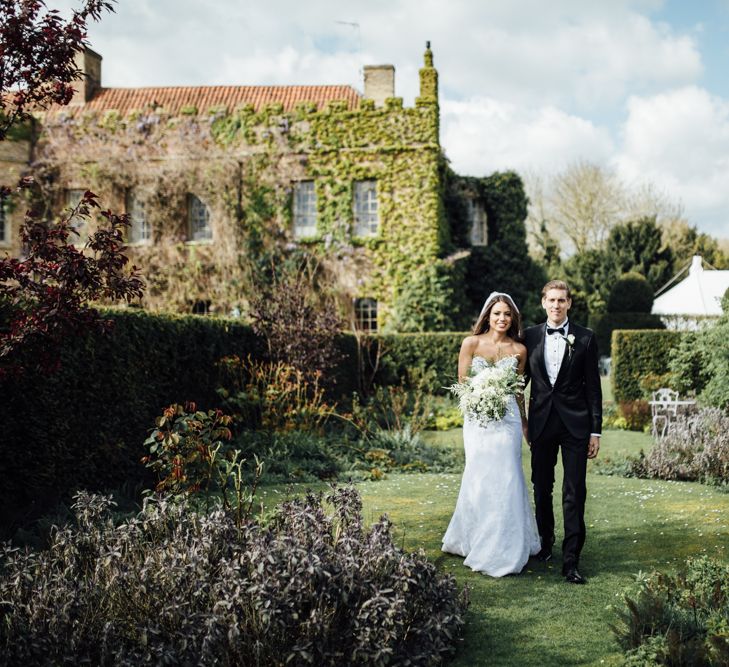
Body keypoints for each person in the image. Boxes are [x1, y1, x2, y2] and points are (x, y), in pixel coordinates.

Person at [442, 292, 541, 577]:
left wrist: (523, 423)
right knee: (479, 476)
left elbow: (519, 390)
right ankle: (474, 537)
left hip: (507, 419)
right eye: (497, 313)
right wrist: (479, 398)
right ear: (488, 316)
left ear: (513, 319)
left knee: (508, 475)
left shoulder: (519, 350)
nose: (502, 319)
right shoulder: (470, 344)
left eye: (507, 315)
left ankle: (506, 542)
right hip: (477, 420)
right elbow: (462, 385)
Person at [524, 280, 602, 585]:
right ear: (543, 302)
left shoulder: (585, 337)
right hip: (541, 424)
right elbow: (519, 382)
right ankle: (546, 544)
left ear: (569, 303)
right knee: (541, 487)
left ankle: (571, 561)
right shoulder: (529, 336)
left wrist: (595, 432)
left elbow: (594, 388)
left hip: (576, 425)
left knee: (574, 492)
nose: (556, 305)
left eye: (562, 300)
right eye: (551, 300)